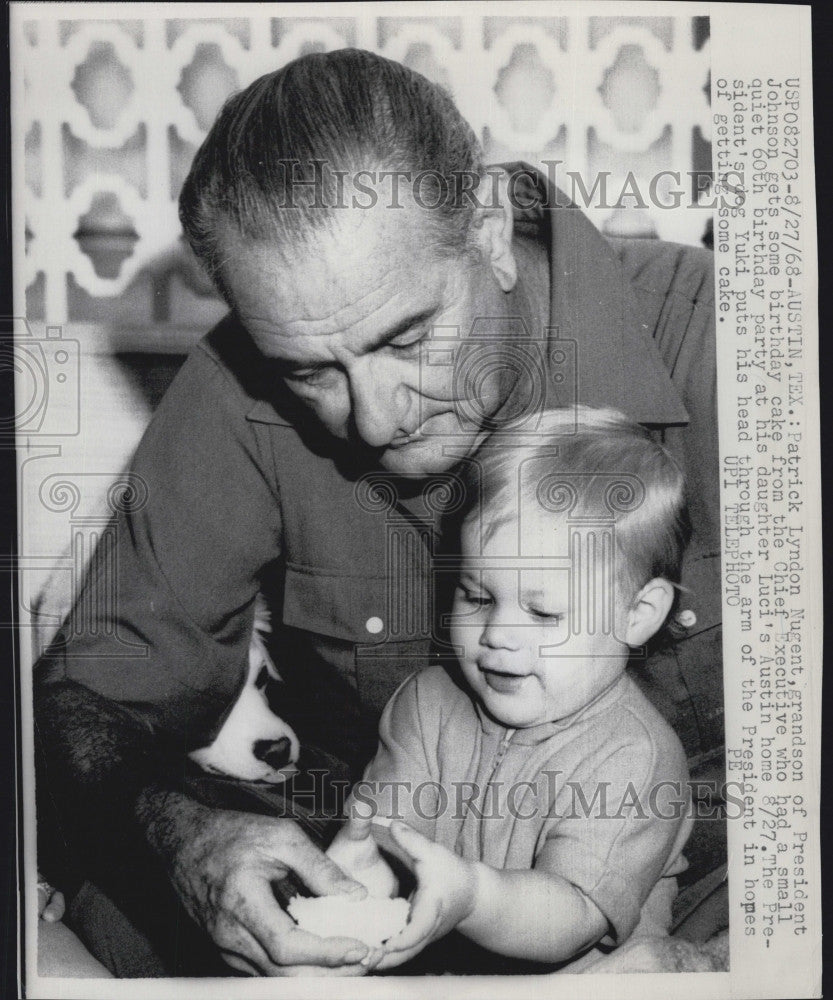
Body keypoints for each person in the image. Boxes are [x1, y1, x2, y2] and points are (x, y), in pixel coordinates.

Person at [33, 48, 720, 977]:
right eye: (310, 372)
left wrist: (710, 969)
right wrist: (182, 835)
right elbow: (90, 697)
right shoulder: (241, 383)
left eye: (406, 338)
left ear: (483, 228)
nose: (373, 417)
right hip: (377, 896)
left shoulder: (723, 337)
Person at [327, 407, 694, 973]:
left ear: (639, 614)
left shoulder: (636, 756)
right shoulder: (427, 704)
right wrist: (365, 870)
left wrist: (471, 896)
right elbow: (388, 835)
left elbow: (567, 922)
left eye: (543, 611)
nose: (496, 634)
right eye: (476, 596)